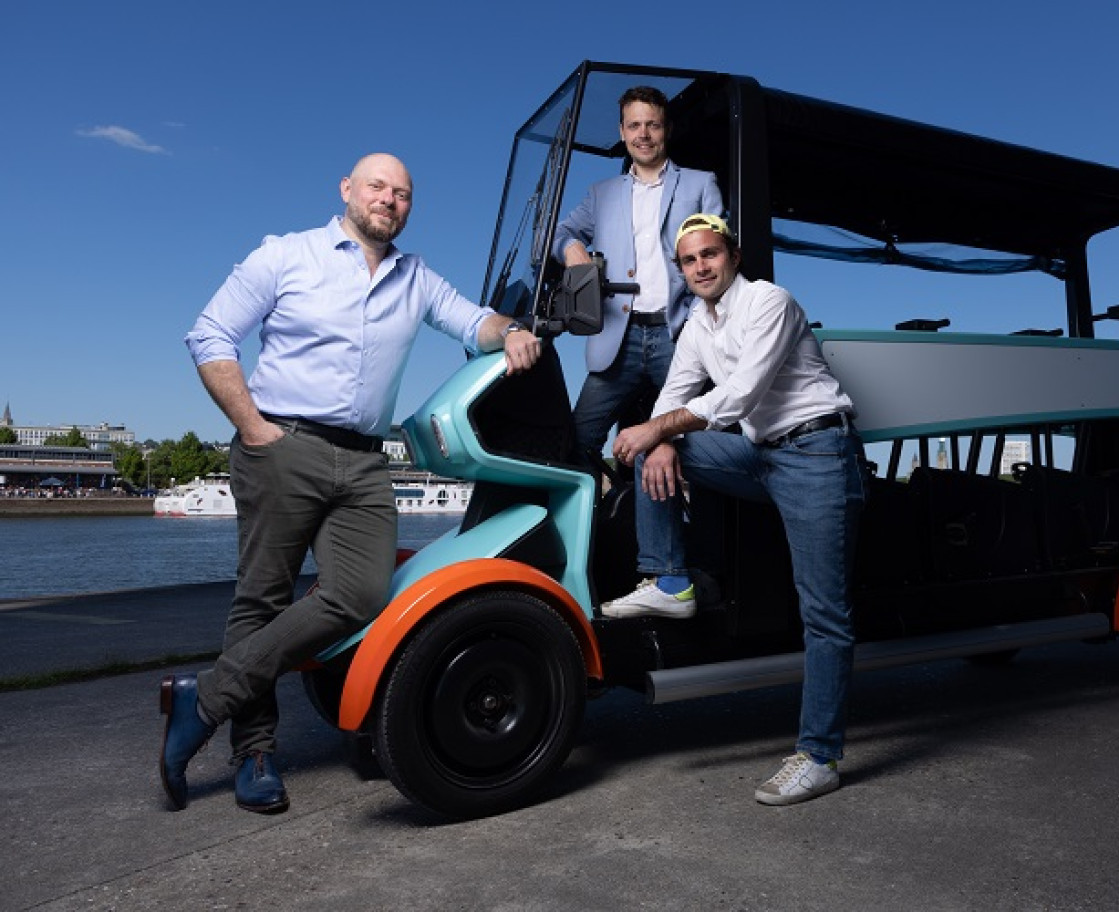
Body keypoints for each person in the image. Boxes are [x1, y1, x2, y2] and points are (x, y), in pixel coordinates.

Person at [160, 152, 541, 814]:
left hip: (365, 460)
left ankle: (206, 698)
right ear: (347, 190)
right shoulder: (287, 255)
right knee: (262, 599)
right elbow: (210, 335)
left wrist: (510, 331)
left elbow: (470, 320)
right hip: (283, 444)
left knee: (361, 593)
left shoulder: (416, 278)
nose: (389, 200)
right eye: (377, 187)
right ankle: (254, 753)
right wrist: (253, 427)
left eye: (403, 193)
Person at [605, 213, 867, 807]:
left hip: (817, 452)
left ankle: (820, 757)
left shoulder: (770, 302)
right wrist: (659, 437)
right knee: (654, 446)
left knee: (824, 614)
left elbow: (742, 394)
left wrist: (659, 430)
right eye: (689, 260)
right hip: (760, 454)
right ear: (682, 270)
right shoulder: (698, 327)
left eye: (710, 254)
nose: (701, 266)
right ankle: (670, 581)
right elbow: (674, 395)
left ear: (733, 256)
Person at [552, 86, 723, 464]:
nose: (643, 134)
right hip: (618, 338)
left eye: (652, 125)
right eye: (634, 126)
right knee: (577, 443)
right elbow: (559, 233)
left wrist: (700, 318)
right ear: (622, 131)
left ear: (667, 130)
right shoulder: (601, 194)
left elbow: (720, 253)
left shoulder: (700, 184)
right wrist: (571, 248)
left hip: (678, 335)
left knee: (696, 445)